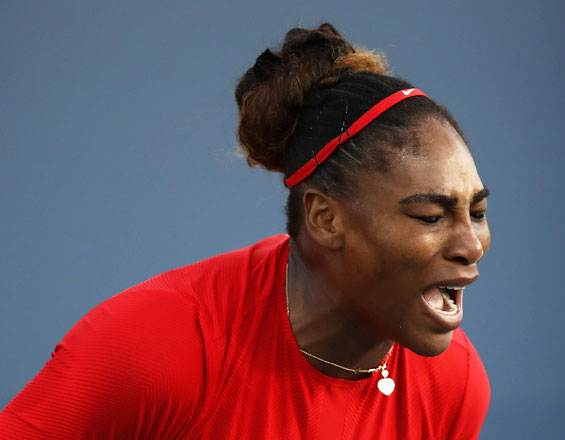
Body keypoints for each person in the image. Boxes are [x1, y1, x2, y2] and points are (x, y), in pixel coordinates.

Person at [0, 23, 491, 439]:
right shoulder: (159, 349)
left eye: (477, 212)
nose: (471, 245)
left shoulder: (453, 382)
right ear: (325, 218)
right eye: (430, 217)